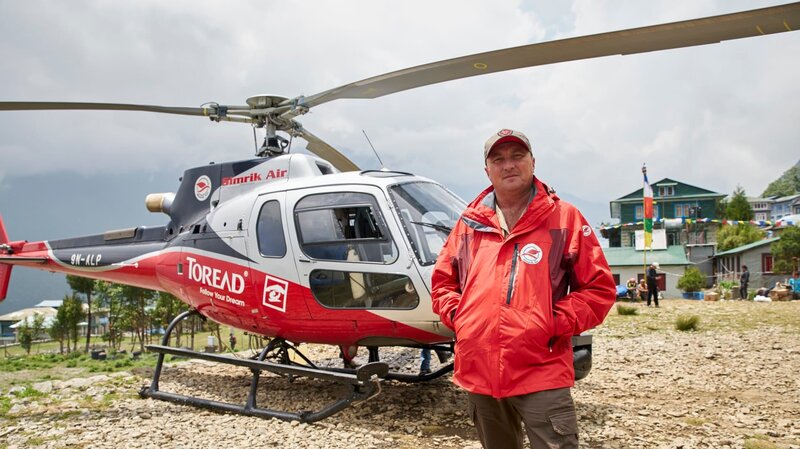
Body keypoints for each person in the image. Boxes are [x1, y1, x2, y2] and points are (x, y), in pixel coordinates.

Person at [431, 129, 616, 449]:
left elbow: (599, 289)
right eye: (498, 159)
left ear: (533, 162)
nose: (509, 165)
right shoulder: (469, 223)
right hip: (480, 372)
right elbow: (443, 281)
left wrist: (550, 322)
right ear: (487, 170)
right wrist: (461, 317)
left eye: (517, 156)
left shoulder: (565, 218)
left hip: (540, 371)